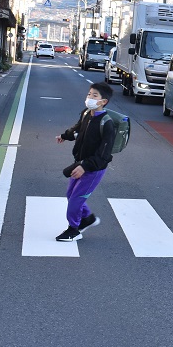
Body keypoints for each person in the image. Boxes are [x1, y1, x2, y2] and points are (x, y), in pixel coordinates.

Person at [54, 82, 116, 242]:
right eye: (89, 94)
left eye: (95, 95)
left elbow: (104, 154)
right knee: (70, 195)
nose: (90, 97)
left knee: (76, 199)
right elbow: (77, 129)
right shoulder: (87, 113)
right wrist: (64, 135)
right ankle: (87, 218)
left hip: (93, 169)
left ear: (104, 102)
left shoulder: (107, 124)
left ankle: (73, 229)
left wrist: (85, 167)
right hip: (80, 162)